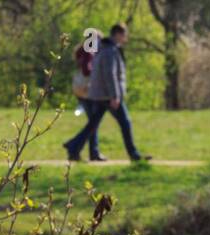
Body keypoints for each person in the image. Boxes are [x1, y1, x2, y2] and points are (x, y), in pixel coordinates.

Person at [63, 23, 149, 163]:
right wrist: (115, 96)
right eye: (124, 34)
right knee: (125, 123)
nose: (126, 38)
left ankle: (74, 146)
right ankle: (134, 154)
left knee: (93, 124)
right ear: (118, 34)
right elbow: (111, 75)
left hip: (99, 94)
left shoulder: (104, 49)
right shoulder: (110, 50)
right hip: (107, 95)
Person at [71, 32, 105, 161]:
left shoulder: (82, 50)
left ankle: (90, 151)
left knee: (93, 121)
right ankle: (87, 151)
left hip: (80, 90)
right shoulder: (89, 52)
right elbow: (86, 70)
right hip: (87, 91)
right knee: (93, 122)